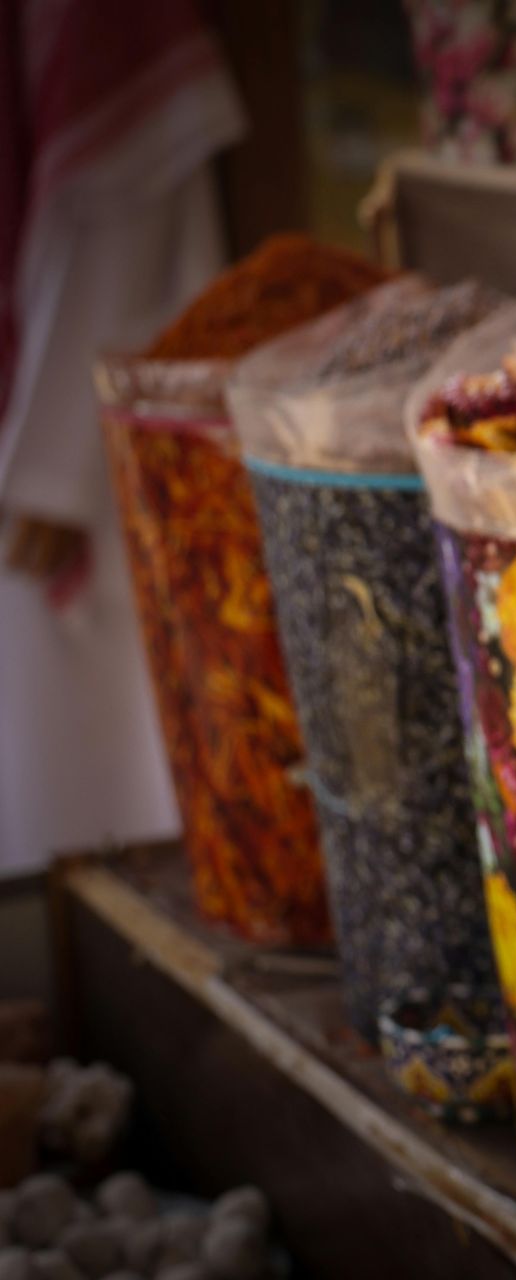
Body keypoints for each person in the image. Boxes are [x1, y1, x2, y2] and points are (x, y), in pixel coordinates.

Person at [0, 0, 246, 872]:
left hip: (91, 423)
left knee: (130, 754)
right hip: (44, 425)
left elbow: (123, 205)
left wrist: (48, 470)